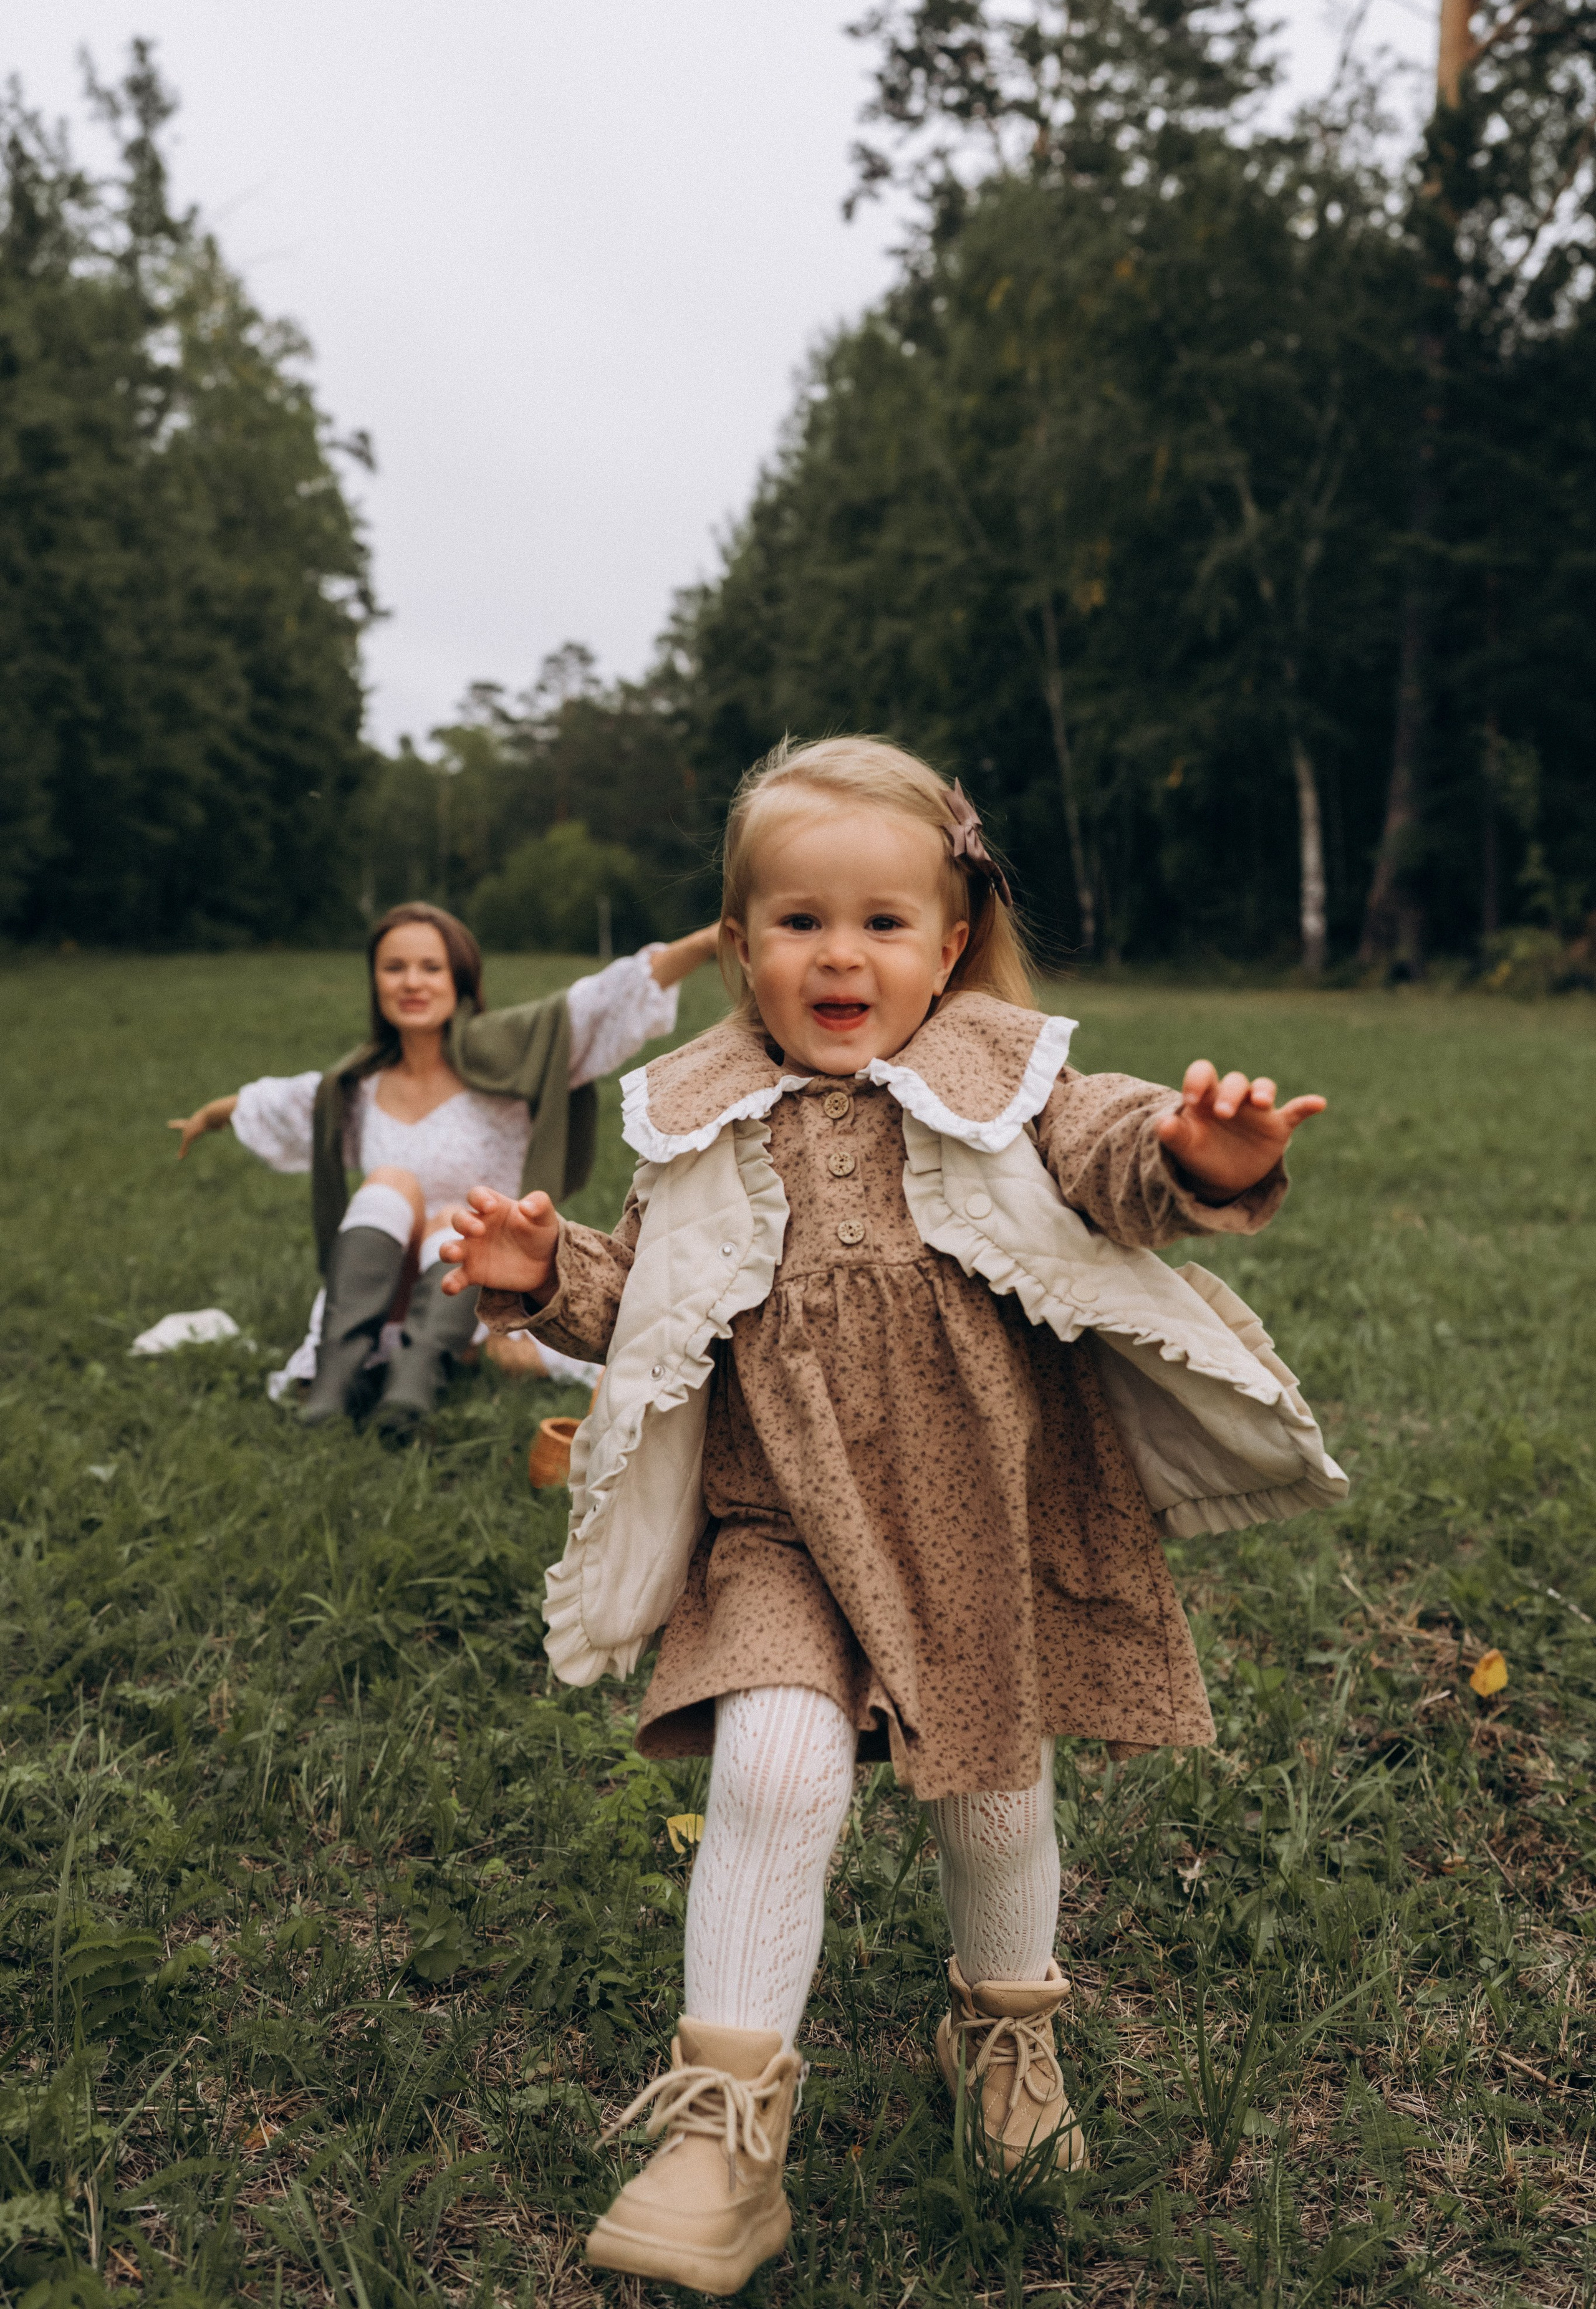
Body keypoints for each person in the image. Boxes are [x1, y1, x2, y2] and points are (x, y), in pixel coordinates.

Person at [441, 739, 1344, 2295]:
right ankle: (720, 2133)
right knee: (775, 1773)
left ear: (946, 940)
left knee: (991, 1799)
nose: (838, 952)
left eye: (880, 920)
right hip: (770, 1516)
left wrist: (1196, 1155)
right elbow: (644, 1292)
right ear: (739, 947)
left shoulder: (1005, 1074)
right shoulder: (697, 1107)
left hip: (979, 1512)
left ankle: (1003, 2028)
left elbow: (1112, 1152)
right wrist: (541, 1274)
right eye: (796, 920)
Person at [170, 903, 719, 1436]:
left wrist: (702, 945)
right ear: (376, 983)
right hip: (387, 1286)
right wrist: (207, 1117)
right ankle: (333, 1383)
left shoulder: (506, 1062)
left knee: (458, 1212)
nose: (412, 982)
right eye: (394, 968)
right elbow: (274, 1104)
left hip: (479, 1278)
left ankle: (416, 1382)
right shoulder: (357, 1088)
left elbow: (597, 1004)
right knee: (391, 1183)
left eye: (430, 968)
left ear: (459, 980)